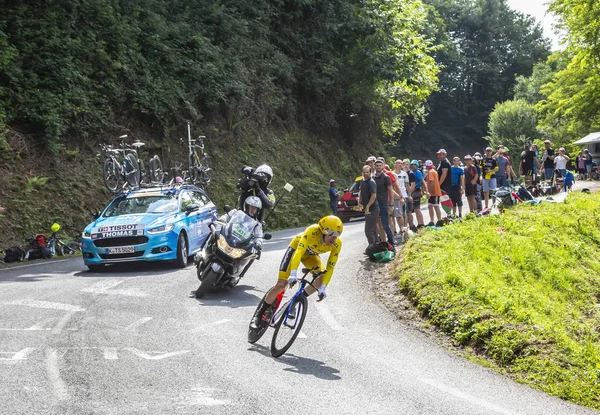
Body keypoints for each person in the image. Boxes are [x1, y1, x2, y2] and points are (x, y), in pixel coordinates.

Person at [250, 215, 343, 329]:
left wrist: (323, 288)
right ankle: (258, 315)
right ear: (323, 231)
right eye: (332, 235)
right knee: (281, 284)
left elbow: (330, 267)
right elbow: (299, 252)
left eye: (337, 235)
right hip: (296, 249)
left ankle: (294, 301)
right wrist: (293, 274)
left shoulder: (337, 244)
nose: (334, 239)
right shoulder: (312, 231)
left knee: (321, 278)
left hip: (310, 256)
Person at [373, 160, 395, 246]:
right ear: (374, 167)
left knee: (385, 225)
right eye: (377, 165)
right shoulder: (373, 178)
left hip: (383, 204)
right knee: (376, 225)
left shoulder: (386, 177)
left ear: (382, 167)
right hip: (375, 205)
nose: (378, 167)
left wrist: (391, 204)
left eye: (380, 165)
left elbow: (391, 191)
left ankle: (392, 243)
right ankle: (382, 242)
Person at [357, 165, 379, 245]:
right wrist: (359, 202)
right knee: (373, 229)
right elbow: (361, 192)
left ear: (370, 173)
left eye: (367, 172)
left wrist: (368, 206)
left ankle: (372, 246)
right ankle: (376, 245)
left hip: (373, 208)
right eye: (364, 172)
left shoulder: (371, 182)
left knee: (368, 229)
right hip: (367, 208)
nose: (365, 174)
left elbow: (374, 195)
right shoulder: (362, 181)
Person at [409, 160, 426, 228]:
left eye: (414, 165)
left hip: (417, 191)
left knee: (417, 208)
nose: (413, 166)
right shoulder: (412, 172)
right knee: (415, 209)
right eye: (412, 165)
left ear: (417, 166)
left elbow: (423, 181)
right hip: (413, 191)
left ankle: (421, 223)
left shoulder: (418, 172)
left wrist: (425, 191)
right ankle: (419, 223)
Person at [425, 160, 442, 226]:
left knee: (436, 206)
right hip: (433, 193)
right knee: (430, 206)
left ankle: (439, 220)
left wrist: (429, 192)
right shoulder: (433, 171)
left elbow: (432, 182)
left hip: (434, 193)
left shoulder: (431, 172)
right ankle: (432, 221)